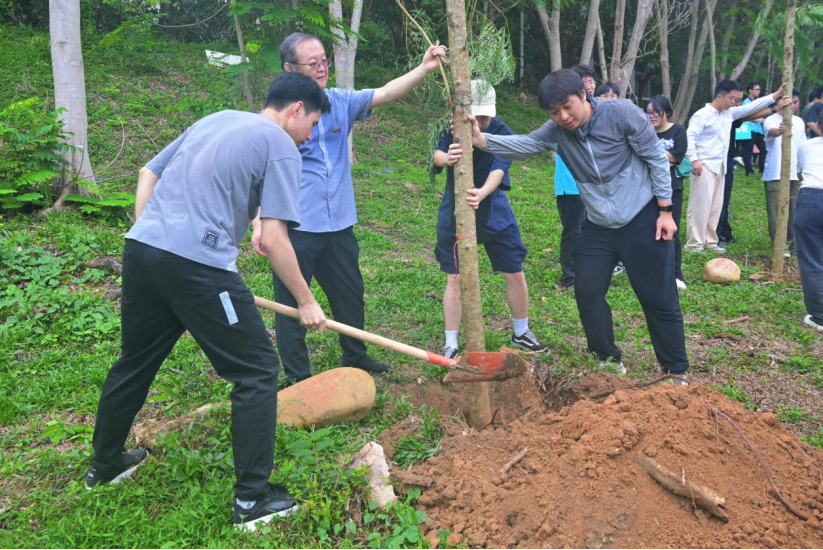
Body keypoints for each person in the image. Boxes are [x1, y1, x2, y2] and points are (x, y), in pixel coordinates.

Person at [86, 73, 331, 532]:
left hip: (142, 248)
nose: (310, 136)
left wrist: (160, 239)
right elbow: (277, 240)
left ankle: (104, 466)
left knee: (135, 360)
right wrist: (306, 301)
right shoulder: (278, 144)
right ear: (296, 109)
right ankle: (252, 501)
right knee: (257, 370)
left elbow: (147, 172)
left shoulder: (217, 119)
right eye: (313, 123)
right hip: (198, 266)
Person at [468, 69, 689, 381]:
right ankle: (607, 360)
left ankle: (675, 371)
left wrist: (665, 210)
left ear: (584, 95)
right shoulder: (556, 130)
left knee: (658, 297)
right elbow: (527, 144)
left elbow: (655, 157)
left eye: (567, 106)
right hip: (598, 224)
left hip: (643, 216)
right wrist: (482, 140)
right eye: (554, 112)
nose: (563, 116)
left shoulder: (621, 113)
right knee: (586, 287)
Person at [268, 33, 446, 385]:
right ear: (290, 68)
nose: (321, 68)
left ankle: (356, 356)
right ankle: (298, 377)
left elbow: (385, 92)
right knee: (291, 305)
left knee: (350, 294)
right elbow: (262, 170)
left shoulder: (340, 101)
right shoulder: (280, 117)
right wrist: (261, 219)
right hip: (296, 226)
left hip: (339, 224)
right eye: (312, 63)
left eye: (324, 61)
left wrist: (423, 69)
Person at [433, 81, 547, 358]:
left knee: (515, 271)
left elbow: (499, 168)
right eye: (478, 115)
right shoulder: (449, 126)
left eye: (486, 116)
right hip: (455, 212)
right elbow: (434, 156)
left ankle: (521, 332)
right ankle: (451, 343)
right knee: (455, 278)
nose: (482, 121)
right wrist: (447, 158)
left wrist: (481, 193)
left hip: (494, 210)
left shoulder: (501, 131)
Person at [685, 80, 788, 253]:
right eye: (732, 99)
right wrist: (694, 160)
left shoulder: (728, 114)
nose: (735, 103)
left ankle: (711, 241)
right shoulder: (701, 115)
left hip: (722, 166)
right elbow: (690, 138)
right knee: (700, 206)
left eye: (737, 99)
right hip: (704, 166)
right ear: (720, 96)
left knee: (716, 206)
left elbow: (751, 107)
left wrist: (775, 96)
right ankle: (694, 244)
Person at [553, 65, 597, 288]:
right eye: (585, 82)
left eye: (591, 81)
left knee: (590, 230)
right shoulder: (566, 120)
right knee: (573, 230)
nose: (589, 86)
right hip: (569, 186)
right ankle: (569, 276)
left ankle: (585, 271)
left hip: (590, 186)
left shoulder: (594, 116)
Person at [646, 94, 688, 290]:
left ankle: (675, 274)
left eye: (656, 112)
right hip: (646, 188)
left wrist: (653, 155)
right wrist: (664, 158)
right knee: (648, 230)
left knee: (671, 230)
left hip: (672, 187)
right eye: (648, 112)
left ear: (667, 113)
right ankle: (652, 271)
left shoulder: (678, 131)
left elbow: (677, 156)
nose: (651, 116)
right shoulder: (645, 132)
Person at [763, 90, 807, 257]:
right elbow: (771, 132)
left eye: (796, 102)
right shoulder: (770, 120)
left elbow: (803, 147)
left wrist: (802, 170)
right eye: (790, 102)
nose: (793, 106)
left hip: (795, 173)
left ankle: (792, 243)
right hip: (775, 173)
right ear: (780, 102)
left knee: (794, 209)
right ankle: (780, 244)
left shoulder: (800, 122)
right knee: (775, 211)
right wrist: (779, 130)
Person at [795, 110, 823, 332]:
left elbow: (802, 173)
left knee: (813, 259)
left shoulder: (806, 146)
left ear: (818, 126)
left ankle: (820, 316)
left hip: (811, 198)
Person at [739, 83, 768, 175]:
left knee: (763, 149)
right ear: (750, 91)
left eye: (759, 89)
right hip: (749, 128)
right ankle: (749, 170)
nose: (758, 91)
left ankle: (762, 169)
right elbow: (745, 116)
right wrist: (759, 119)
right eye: (757, 89)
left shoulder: (756, 102)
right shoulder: (746, 102)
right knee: (748, 150)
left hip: (757, 129)